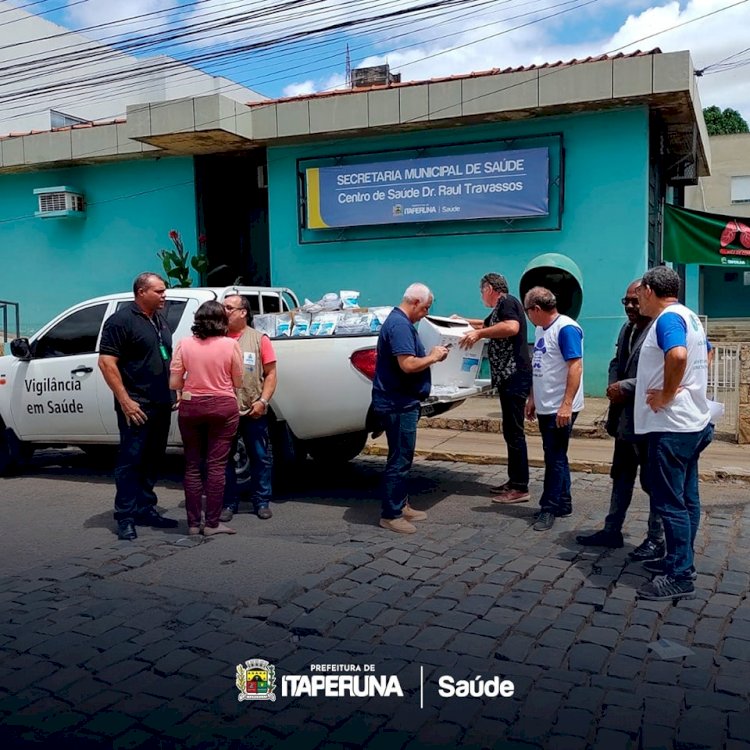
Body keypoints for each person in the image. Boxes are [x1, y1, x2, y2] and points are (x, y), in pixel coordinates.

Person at [633, 266, 713, 601]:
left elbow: (678, 355)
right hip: (692, 422)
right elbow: (706, 351)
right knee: (688, 498)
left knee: (670, 502)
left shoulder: (667, 319)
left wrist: (667, 393)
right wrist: (686, 386)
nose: (636, 302)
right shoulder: (689, 316)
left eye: (638, 295)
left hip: (671, 426)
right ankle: (680, 560)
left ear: (650, 290)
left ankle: (681, 574)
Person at [576, 281, 665, 559]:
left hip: (650, 422)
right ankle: (612, 529)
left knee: (653, 484)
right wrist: (615, 385)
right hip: (624, 421)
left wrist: (626, 387)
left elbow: (665, 374)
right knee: (621, 477)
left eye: (634, 301)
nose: (629, 306)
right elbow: (617, 361)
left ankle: (656, 539)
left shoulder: (661, 328)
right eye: (625, 301)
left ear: (646, 298)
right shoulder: (627, 329)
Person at [99, 272, 179, 541]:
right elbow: (107, 363)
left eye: (164, 291)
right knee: (131, 460)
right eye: (159, 291)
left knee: (153, 459)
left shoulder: (158, 319)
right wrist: (125, 401)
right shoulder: (120, 321)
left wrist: (173, 390)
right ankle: (125, 516)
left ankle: (146, 508)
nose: (164, 296)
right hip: (137, 405)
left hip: (161, 403)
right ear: (141, 292)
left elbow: (163, 358)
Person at [372, 283, 448, 534]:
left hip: (401, 401)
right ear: (414, 302)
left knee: (402, 455)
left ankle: (401, 504)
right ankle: (391, 514)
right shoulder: (400, 325)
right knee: (400, 458)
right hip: (398, 403)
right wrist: (433, 357)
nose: (425, 313)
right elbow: (407, 364)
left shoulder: (400, 323)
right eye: (425, 308)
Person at [457, 273, 532, 504]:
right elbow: (487, 323)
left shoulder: (507, 302)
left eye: (481, 291)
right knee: (510, 431)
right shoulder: (501, 307)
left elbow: (510, 327)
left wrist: (478, 333)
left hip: (514, 375)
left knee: (515, 432)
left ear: (489, 288)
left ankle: (520, 486)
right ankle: (514, 480)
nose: (481, 296)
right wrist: (461, 321)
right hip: (507, 378)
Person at [169, 301, 243, 535]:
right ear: (222, 321)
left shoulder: (184, 344)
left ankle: (192, 524)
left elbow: (174, 381)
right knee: (216, 466)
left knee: (191, 466)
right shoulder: (231, 345)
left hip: (191, 406)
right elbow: (238, 380)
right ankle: (212, 523)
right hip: (223, 405)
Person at [524, 286, 584, 532]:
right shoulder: (541, 329)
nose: (528, 316)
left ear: (536, 309)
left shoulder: (565, 328)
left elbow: (575, 366)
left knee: (554, 457)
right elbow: (540, 366)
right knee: (557, 454)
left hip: (560, 406)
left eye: (528, 311)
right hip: (545, 403)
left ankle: (548, 507)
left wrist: (566, 404)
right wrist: (532, 397)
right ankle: (564, 501)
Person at [219, 295, 278, 522]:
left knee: (260, 457)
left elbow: (271, 374)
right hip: (225, 411)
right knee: (225, 459)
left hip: (252, 410)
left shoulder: (258, 339)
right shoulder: (217, 339)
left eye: (229, 308)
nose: (224, 311)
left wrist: (262, 401)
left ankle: (261, 501)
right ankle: (229, 503)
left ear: (243, 312)